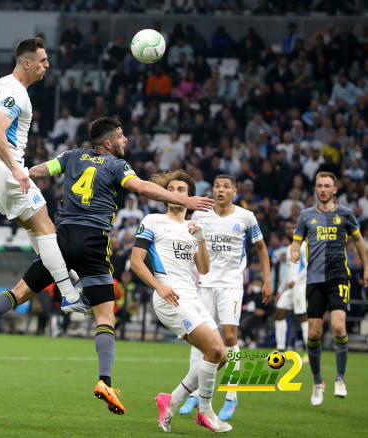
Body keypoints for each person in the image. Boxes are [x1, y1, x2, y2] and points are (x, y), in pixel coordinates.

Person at [0, 117, 214, 415]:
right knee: (105, 317)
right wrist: (180, 198)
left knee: (19, 291)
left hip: (60, 239)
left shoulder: (71, 156)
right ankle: (104, 382)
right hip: (93, 242)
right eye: (121, 136)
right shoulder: (116, 166)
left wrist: (15, 175)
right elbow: (142, 188)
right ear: (108, 143)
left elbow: (39, 171)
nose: (126, 141)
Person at [0, 37, 80, 305]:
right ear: (27, 62)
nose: (47, 65)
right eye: (43, 61)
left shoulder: (1, 84)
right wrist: (16, 169)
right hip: (3, 169)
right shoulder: (16, 93)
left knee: (34, 228)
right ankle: (69, 294)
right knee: (45, 225)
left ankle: (65, 274)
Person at [129, 170, 231, 433]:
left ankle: (170, 401)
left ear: (190, 196)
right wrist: (159, 287)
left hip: (192, 297)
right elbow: (136, 263)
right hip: (169, 299)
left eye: (181, 190)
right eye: (171, 189)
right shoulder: (152, 221)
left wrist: (201, 238)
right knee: (215, 351)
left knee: (221, 357)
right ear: (165, 194)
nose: (176, 194)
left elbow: (205, 269)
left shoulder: (193, 227)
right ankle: (205, 412)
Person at [180, 174, 272, 420]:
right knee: (200, 339)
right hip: (205, 283)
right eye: (217, 186)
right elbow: (189, 244)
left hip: (231, 285)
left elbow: (261, 248)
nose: (220, 190)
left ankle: (231, 396)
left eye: (226, 187)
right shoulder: (200, 215)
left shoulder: (246, 217)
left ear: (235, 191)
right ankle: (194, 395)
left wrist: (267, 279)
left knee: (230, 337)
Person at [291, 171, 368, 406]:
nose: (322, 189)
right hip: (314, 280)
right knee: (313, 334)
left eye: (327, 186)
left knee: (337, 326)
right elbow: (296, 241)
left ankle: (340, 378)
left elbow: (358, 241)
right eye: (319, 186)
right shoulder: (305, 216)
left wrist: (366, 268)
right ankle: (317, 383)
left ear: (335, 189)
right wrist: (295, 250)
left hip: (339, 278)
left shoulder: (345, 214)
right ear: (315, 189)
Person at [274, 222, 309, 361]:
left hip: (301, 286)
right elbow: (288, 272)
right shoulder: (289, 248)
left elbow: (308, 266)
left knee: (303, 317)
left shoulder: (305, 246)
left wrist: (297, 279)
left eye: (292, 228)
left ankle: (309, 353)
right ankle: (280, 350)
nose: (289, 230)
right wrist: (280, 290)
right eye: (287, 228)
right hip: (289, 288)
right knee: (279, 313)